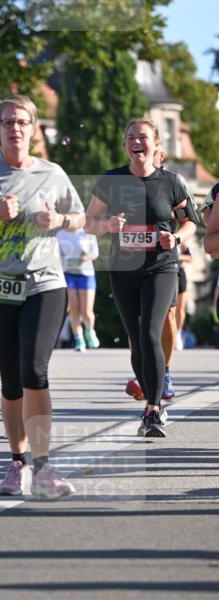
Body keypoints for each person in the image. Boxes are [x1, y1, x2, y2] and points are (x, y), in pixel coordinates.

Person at [0, 93, 84, 499]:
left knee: (35, 370)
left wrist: (59, 219)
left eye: (22, 122)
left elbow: (80, 217)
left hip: (44, 284)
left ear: (33, 129)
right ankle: (17, 462)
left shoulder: (52, 173)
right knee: (10, 377)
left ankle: (43, 467)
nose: (15, 128)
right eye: (8, 122)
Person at [85, 118, 198, 438]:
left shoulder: (171, 182)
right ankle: (151, 401)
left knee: (150, 332)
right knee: (136, 339)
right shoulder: (111, 181)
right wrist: (107, 226)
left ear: (156, 144)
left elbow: (190, 222)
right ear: (125, 145)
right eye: (131, 137)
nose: (137, 142)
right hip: (124, 270)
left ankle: (153, 408)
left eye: (143, 137)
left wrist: (175, 239)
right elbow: (89, 222)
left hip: (161, 266)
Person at [57, 227, 100, 351]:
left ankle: (89, 330)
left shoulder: (88, 232)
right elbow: (57, 255)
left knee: (86, 311)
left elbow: (95, 253)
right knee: (74, 309)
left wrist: (87, 256)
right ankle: (79, 339)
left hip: (86, 274)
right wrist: (64, 261)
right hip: (68, 274)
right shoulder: (60, 234)